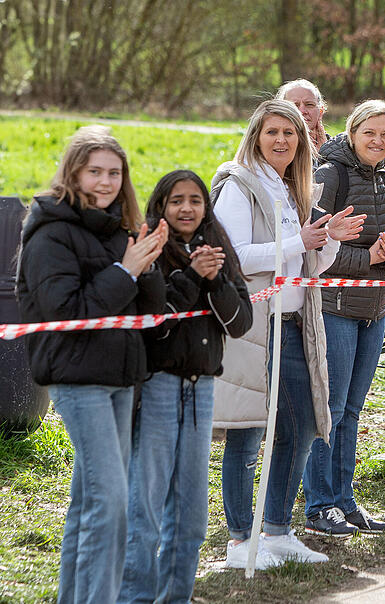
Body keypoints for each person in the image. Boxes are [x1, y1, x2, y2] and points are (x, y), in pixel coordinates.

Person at [17, 125, 168, 603]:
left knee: (89, 506)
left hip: (121, 376)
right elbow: (67, 312)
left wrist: (149, 265)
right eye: (94, 171)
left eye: (114, 173)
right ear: (73, 173)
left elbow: (147, 312)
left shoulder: (117, 229)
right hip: (77, 379)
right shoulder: (51, 232)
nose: (105, 182)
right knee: (111, 504)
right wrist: (126, 269)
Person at [213, 99, 364, 568]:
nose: (281, 140)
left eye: (291, 133)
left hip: (298, 325)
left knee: (298, 428)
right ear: (256, 135)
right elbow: (236, 256)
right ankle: (241, 539)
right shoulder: (239, 184)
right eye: (273, 131)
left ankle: (277, 530)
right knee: (249, 429)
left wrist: (329, 236)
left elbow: (308, 266)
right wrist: (302, 239)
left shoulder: (291, 188)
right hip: (256, 327)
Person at [119, 170, 253, 602]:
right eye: (177, 200)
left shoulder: (217, 249)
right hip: (158, 387)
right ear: (161, 205)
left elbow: (240, 323)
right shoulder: (150, 248)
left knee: (192, 512)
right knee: (147, 506)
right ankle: (135, 596)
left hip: (201, 391)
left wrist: (214, 280)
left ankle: (176, 595)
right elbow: (155, 323)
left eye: (195, 200)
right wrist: (194, 276)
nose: (187, 208)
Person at [303, 100, 385, 537]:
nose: (378, 141)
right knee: (328, 410)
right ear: (352, 131)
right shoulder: (330, 174)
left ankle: (345, 501)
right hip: (335, 309)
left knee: (351, 410)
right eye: (370, 132)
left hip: (374, 308)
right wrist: (366, 257)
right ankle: (319, 504)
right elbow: (312, 246)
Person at [276, 78, 329, 152]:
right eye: (294, 105)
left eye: (309, 104)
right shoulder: (274, 146)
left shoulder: (338, 148)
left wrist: (325, 153)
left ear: (321, 111)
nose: (302, 111)